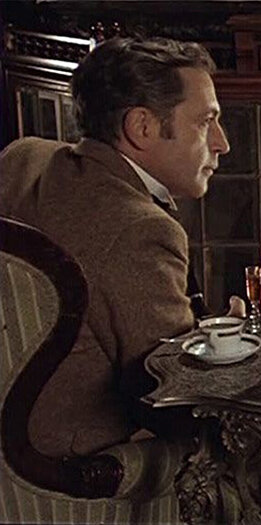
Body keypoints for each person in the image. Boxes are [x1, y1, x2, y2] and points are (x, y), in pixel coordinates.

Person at [0, 37, 231, 459]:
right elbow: (175, 403)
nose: (222, 143)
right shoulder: (141, 231)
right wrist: (227, 349)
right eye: (205, 122)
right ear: (142, 127)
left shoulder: (22, 157)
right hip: (68, 464)